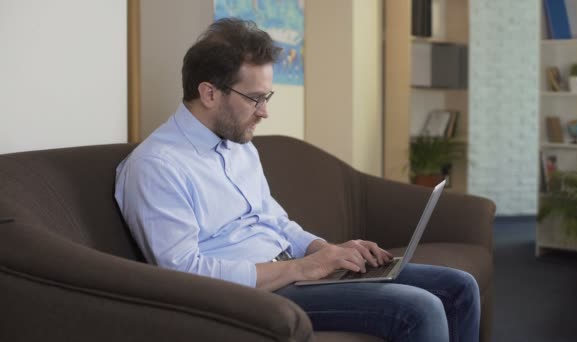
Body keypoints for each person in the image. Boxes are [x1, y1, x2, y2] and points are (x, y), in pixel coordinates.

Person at [115, 18, 480, 342]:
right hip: (254, 296)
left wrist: (321, 249)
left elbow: (275, 221)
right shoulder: (156, 166)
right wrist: (300, 268)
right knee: (420, 309)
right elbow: (183, 273)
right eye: (255, 98)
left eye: (266, 97)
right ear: (209, 93)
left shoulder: (238, 145)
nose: (265, 112)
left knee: (459, 287)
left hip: (294, 272)